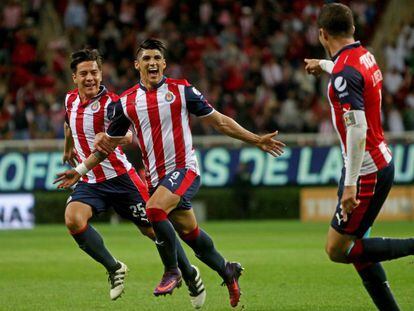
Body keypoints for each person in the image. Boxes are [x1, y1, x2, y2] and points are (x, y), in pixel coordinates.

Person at [55, 39, 285, 308]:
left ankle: (172, 271)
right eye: (147, 59)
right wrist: (79, 169)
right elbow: (107, 145)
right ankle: (227, 269)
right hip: (154, 180)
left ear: (164, 63)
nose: (152, 63)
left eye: (157, 58)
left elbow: (220, 121)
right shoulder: (128, 101)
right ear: (137, 65)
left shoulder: (181, 90)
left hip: (183, 169)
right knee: (191, 235)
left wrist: (256, 139)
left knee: (154, 211)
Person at [58, 48, 206, 308]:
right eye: (84, 74)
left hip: (122, 180)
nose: (90, 78)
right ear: (75, 78)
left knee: (155, 231)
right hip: (91, 181)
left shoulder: (112, 104)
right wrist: (68, 146)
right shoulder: (70, 100)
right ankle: (115, 268)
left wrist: (114, 138)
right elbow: (68, 124)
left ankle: (189, 274)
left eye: (94, 72)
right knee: (73, 219)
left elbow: (127, 135)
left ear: (101, 74)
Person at [304, 4, 414, 310]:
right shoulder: (364, 55)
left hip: (365, 172)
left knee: (338, 249)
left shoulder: (344, 72)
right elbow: (345, 73)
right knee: (359, 250)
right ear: (352, 29)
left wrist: (350, 184)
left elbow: (357, 129)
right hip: (373, 163)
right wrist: (323, 65)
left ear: (322, 34)